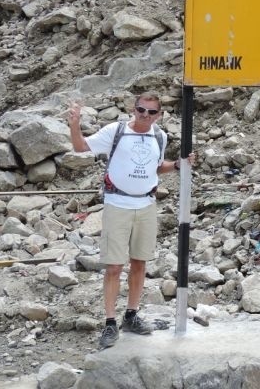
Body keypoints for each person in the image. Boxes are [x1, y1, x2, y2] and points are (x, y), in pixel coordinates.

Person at [68, 91, 195, 349]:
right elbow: (80, 147)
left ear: (159, 114)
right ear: (133, 109)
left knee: (139, 263)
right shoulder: (115, 131)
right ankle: (110, 322)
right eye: (141, 110)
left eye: (151, 112)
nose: (145, 116)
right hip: (118, 203)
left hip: (147, 204)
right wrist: (74, 124)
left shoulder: (159, 135)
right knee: (114, 266)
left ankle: (131, 315)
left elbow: (156, 166)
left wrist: (179, 164)